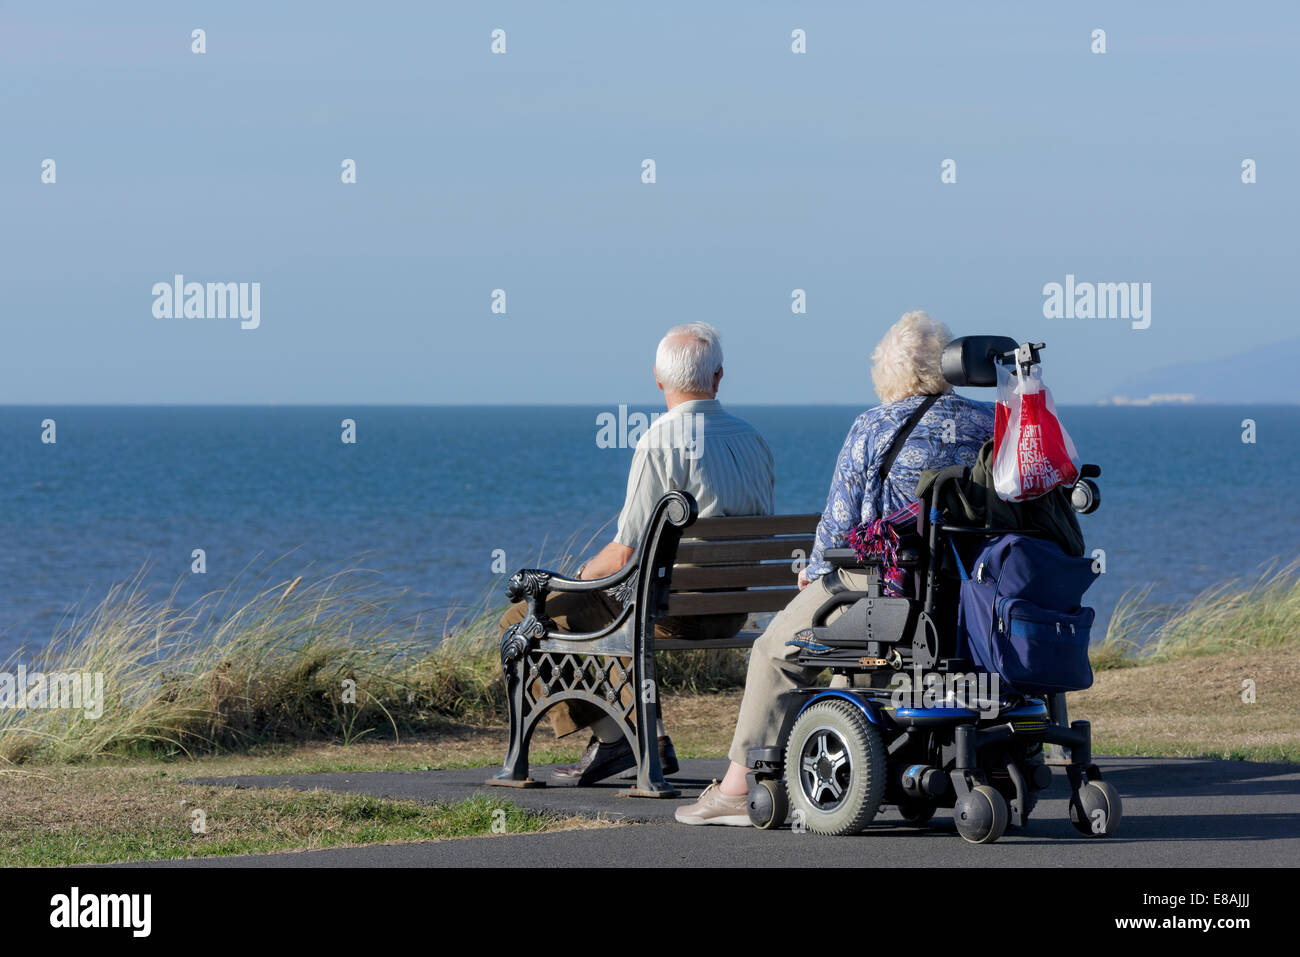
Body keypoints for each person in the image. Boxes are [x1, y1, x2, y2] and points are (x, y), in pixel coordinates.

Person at [674, 310, 994, 825]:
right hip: (971, 595)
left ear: (886, 374)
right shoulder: (991, 424)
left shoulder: (873, 426)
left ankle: (735, 789)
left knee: (775, 651)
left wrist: (813, 571)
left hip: (885, 589)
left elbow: (840, 529)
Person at [498, 322, 775, 785]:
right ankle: (654, 742)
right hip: (730, 610)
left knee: (526, 619)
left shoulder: (658, 441)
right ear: (719, 377)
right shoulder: (754, 440)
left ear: (658, 379)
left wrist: (576, 578)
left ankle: (615, 738)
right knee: (634, 600)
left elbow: (624, 551)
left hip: (674, 611)